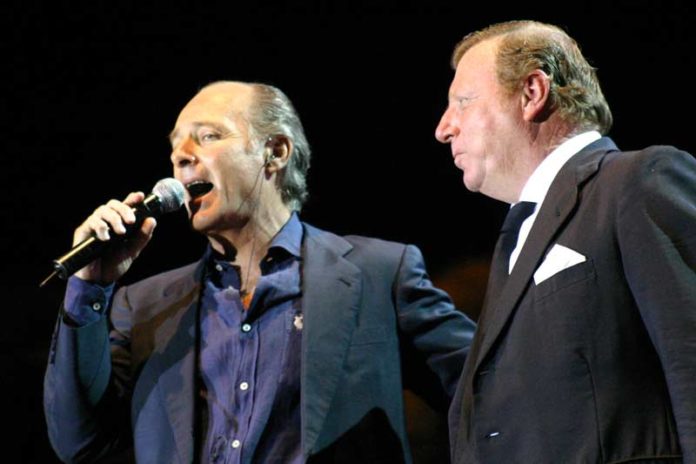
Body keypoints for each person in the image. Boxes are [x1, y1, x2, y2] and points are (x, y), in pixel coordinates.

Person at [44, 80, 476, 463]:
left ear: (275, 153)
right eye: (176, 146)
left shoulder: (379, 274)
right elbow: (78, 442)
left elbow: (486, 389)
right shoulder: (144, 306)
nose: (181, 155)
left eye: (208, 136)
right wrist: (90, 289)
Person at [435, 20, 696, 463]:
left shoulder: (636, 182)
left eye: (462, 101)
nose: (444, 128)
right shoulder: (516, 237)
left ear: (532, 93)